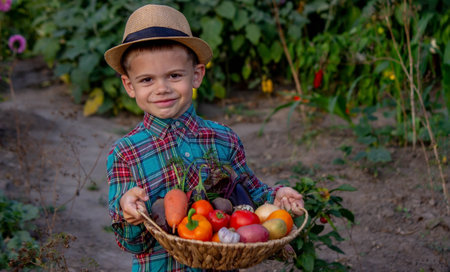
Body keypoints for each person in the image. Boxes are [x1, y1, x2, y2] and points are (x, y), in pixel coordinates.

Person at [105, 4, 304, 271]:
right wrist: (128, 212)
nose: (162, 89)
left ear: (196, 75)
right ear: (129, 85)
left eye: (174, 75)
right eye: (147, 80)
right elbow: (132, 245)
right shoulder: (126, 153)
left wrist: (277, 197)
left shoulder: (224, 139)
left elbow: (251, 195)